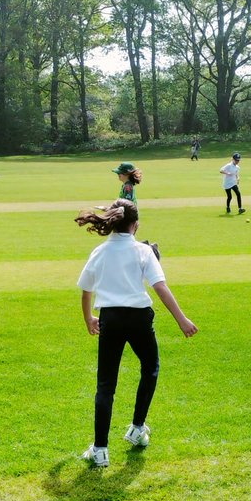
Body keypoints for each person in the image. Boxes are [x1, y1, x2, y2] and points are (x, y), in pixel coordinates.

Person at [75, 199, 198, 467]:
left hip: (111, 318)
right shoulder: (144, 251)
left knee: (106, 385)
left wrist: (88, 319)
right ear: (136, 225)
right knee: (150, 367)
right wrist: (182, 319)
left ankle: (100, 450)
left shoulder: (100, 252)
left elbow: (86, 290)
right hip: (140, 318)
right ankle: (137, 427)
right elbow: (160, 287)